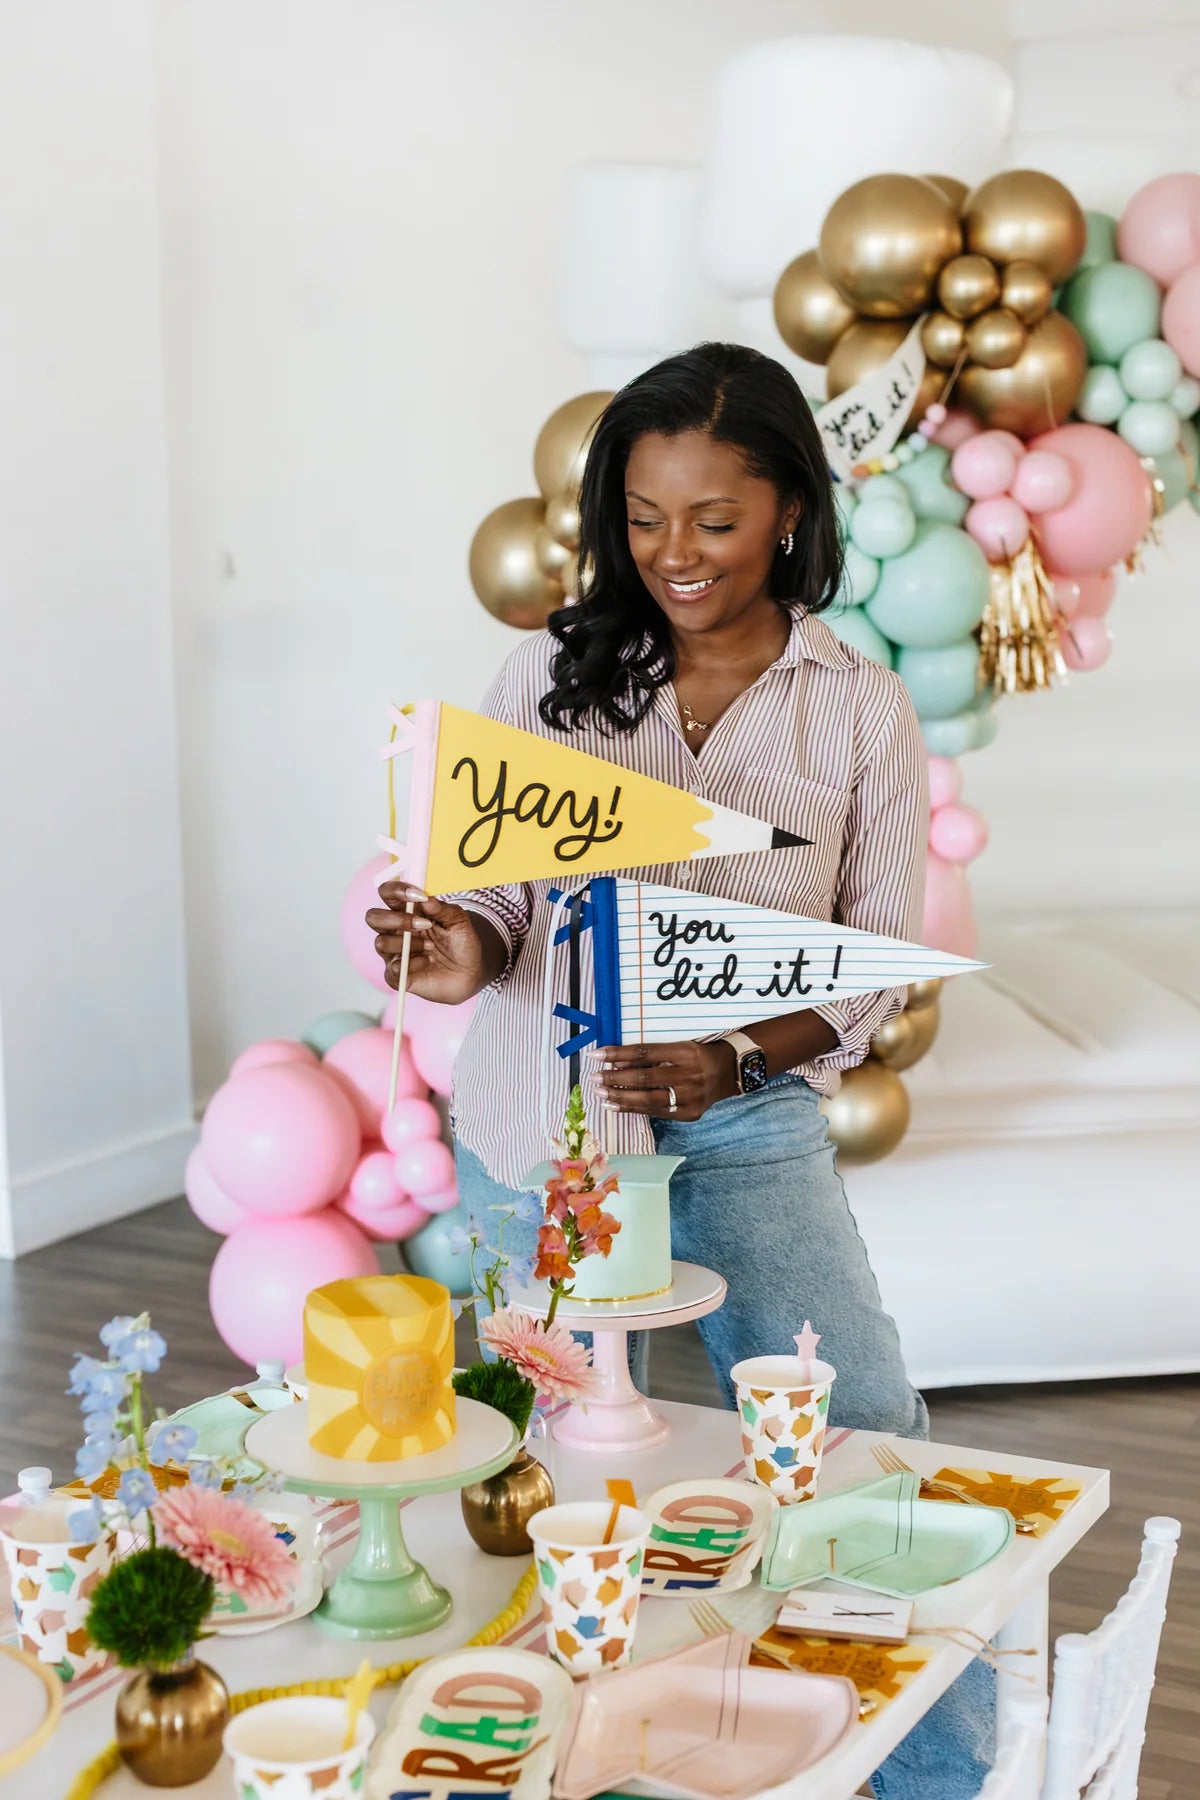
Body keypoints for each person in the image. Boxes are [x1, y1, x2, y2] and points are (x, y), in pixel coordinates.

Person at [368, 343, 992, 1797]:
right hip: (544, 1140)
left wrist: (732, 1057)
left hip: (750, 1134)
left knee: (863, 1441)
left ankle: (934, 1772)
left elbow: (878, 956)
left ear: (788, 512)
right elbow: (495, 919)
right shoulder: (545, 674)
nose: (675, 556)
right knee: (544, 1482)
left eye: (713, 521)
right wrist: (447, 944)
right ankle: (554, 1762)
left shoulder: (858, 709)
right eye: (644, 519)